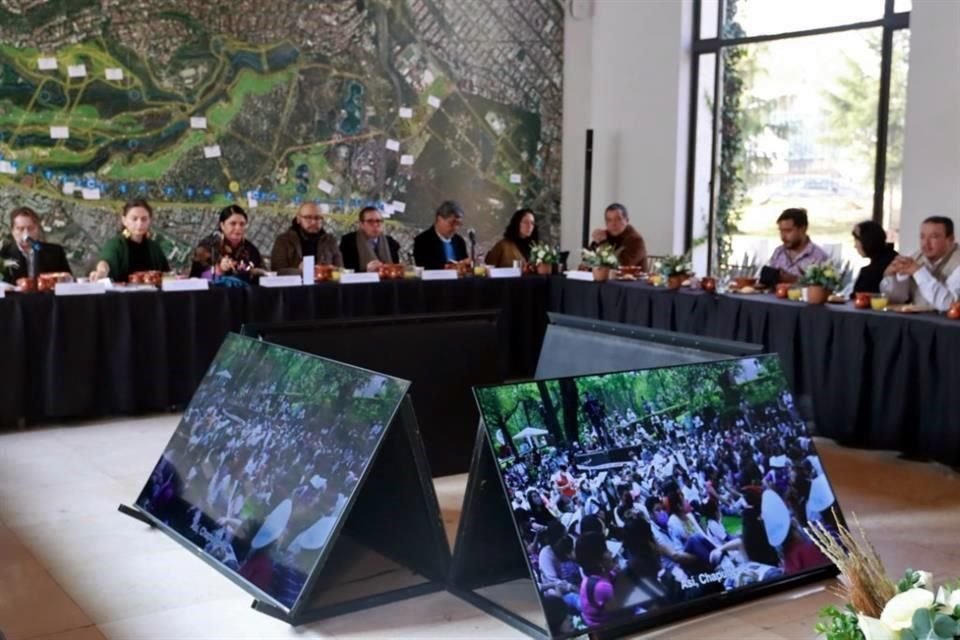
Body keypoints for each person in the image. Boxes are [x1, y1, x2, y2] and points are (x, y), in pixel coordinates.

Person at [880, 216, 960, 311]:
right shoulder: (914, 258)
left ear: (950, 239)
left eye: (934, 237)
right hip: (916, 322)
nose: (925, 243)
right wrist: (891, 277)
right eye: (922, 237)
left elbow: (949, 304)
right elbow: (899, 298)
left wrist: (918, 272)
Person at [90, 200, 169, 282]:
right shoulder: (117, 244)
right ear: (124, 221)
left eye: (144, 219)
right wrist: (101, 272)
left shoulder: (154, 247)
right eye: (134, 219)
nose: (139, 223)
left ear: (150, 220)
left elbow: (166, 273)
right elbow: (106, 261)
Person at [190, 205, 264, 281]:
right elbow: (196, 277)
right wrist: (219, 269)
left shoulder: (251, 249)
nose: (238, 228)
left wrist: (256, 273)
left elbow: (262, 273)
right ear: (222, 225)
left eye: (242, 224)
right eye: (233, 223)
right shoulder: (208, 247)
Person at [0, 206, 71, 281]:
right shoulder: (3, 253)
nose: (26, 234)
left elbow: (69, 282)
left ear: (38, 229)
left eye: (31, 228)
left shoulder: (55, 252)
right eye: (20, 229)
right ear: (12, 231)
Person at [270, 203, 342, 273]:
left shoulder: (329, 240)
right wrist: (299, 271)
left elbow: (340, 269)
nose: (313, 222)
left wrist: (327, 270)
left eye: (317, 218)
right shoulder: (284, 240)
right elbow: (277, 270)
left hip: (325, 283)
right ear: (298, 219)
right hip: (294, 284)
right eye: (308, 217)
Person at [765, 208, 830, 283]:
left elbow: (824, 289)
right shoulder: (778, 252)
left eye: (788, 231)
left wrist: (796, 280)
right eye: (781, 231)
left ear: (803, 229)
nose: (782, 237)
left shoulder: (819, 257)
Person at [339, 206, 400, 272]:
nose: (375, 224)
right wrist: (366, 270)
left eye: (378, 221)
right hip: (361, 281)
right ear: (361, 224)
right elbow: (345, 271)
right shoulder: (349, 242)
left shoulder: (390, 242)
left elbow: (396, 268)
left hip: (388, 281)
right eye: (370, 221)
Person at [413, 200, 468, 269]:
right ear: (439, 219)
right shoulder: (422, 241)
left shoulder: (460, 241)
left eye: (458, 224)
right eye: (452, 223)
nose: (455, 228)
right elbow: (421, 268)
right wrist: (447, 267)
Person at [589, 203, 646, 267]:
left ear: (627, 220)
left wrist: (603, 243)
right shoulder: (605, 235)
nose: (613, 224)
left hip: (630, 276)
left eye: (618, 219)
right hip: (602, 276)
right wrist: (595, 243)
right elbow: (588, 261)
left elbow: (621, 265)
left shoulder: (636, 240)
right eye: (609, 220)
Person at [851, 220, 898, 295]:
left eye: (856, 240)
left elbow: (859, 298)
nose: (855, 246)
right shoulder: (894, 256)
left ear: (867, 240)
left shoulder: (870, 272)